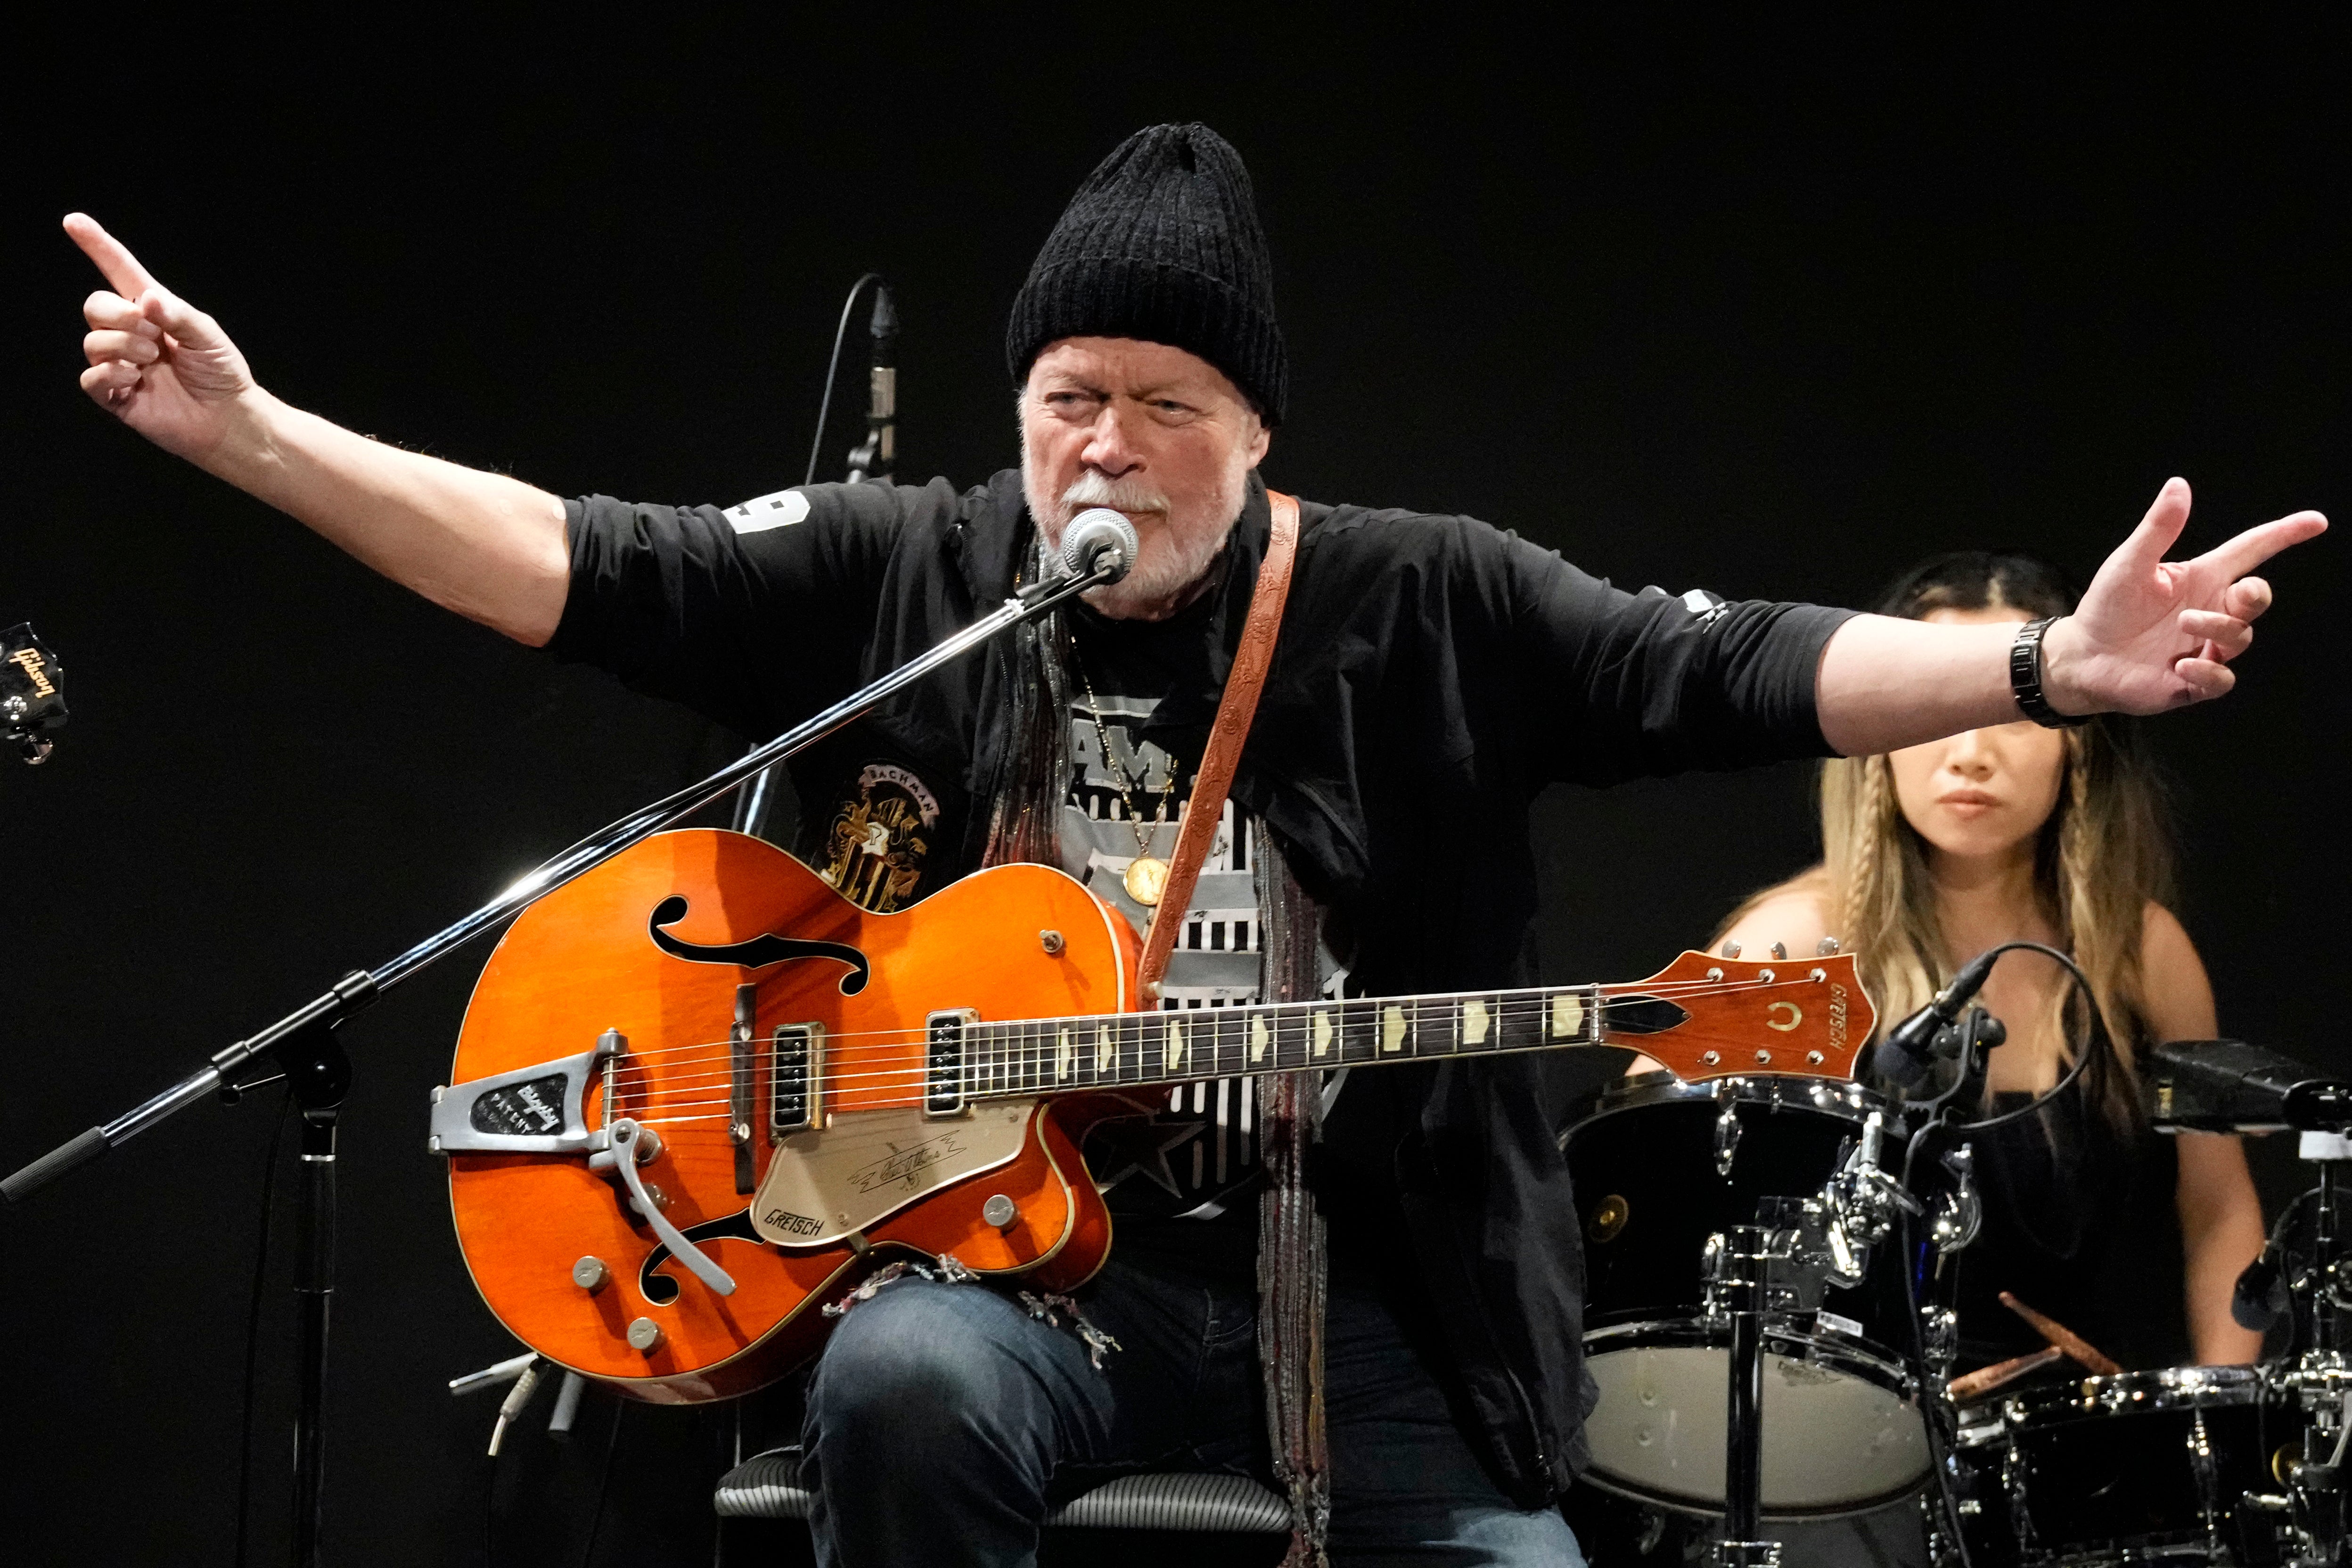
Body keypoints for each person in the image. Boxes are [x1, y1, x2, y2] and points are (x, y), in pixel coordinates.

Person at [64, 123, 2319, 1568]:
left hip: (1362, 1290)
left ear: (1251, 430)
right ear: (1017, 414)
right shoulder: (918, 565)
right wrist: (251, 434)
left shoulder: (1424, 593)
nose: (1109, 444)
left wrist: (2039, 676)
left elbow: (1729, 661)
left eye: (1164, 402)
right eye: (1071, 397)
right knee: (898, 1388)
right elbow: (575, 555)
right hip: (1010, 1266)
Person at [1709, 550, 2266, 1374]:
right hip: (1842, 1465)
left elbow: (2219, 1211)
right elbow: (1668, 1212)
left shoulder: (2140, 952)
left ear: (2076, 743)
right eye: (1937, 710)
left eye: (2014, 712)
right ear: (1877, 738)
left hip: (2079, 1459)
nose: (1969, 754)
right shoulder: (1785, 948)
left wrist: (2216, 1419)